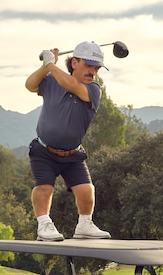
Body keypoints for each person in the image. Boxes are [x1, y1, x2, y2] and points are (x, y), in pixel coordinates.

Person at [25, 41, 111, 241]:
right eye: (88, 65)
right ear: (74, 63)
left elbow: (71, 85)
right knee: (44, 188)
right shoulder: (52, 80)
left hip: (73, 153)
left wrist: (50, 64)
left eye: (96, 68)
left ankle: (84, 225)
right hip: (44, 150)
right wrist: (46, 66)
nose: (92, 72)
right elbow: (30, 85)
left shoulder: (94, 90)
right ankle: (44, 225)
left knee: (86, 190)